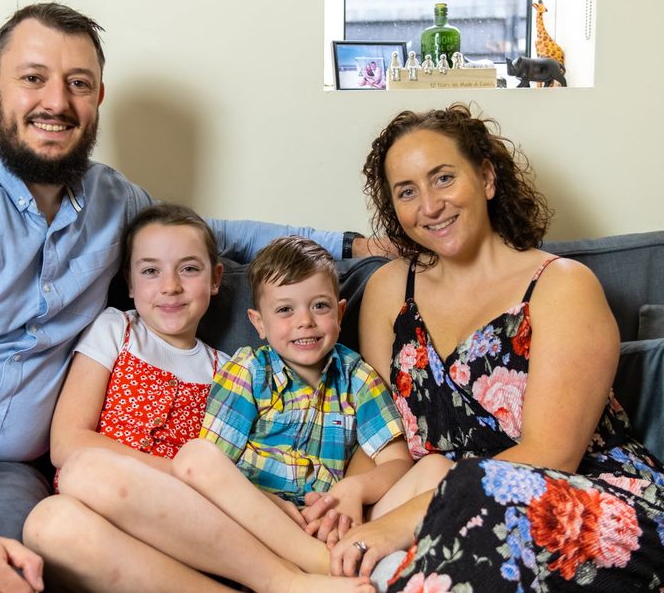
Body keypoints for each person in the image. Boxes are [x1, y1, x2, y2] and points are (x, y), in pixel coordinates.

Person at [0, 2, 377, 593]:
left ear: (98, 98)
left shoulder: (115, 205)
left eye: (78, 82)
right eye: (33, 77)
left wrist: (349, 243)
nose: (57, 101)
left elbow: (215, 234)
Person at [324, 104, 664, 590]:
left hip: (591, 510)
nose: (429, 206)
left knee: (457, 554)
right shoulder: (388, 291)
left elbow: (552, 454)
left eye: (443, 178)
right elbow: (379, 436)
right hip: (440, 510)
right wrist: (352, 502)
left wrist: (399, 522)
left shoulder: (561, 285)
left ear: (486, 177)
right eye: (407, 191)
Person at [23, 236, 419, 593]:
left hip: (317, 522)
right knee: (60, 510)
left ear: (340, 310)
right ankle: (306, 573)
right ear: (258, 324)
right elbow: (213, 470)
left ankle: (308, 569)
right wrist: (264, 501)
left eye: (319, 307)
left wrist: (353, 490)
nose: (304, 321)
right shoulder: (243, 369)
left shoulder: (357, 377)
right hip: (244, 520)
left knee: (434, 471)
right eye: (285, 310)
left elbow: (395, 461)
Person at [47, 201, 229, 488]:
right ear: (129, 282)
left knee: (55, 518)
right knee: (63, 503)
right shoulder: (115, 330)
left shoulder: (228, 372)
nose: (170, 286)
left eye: (189, 268)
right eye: (150, 271)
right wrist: (184, 474)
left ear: (215, 278)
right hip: (96, 489)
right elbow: (66, 443)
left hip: (177, 505)